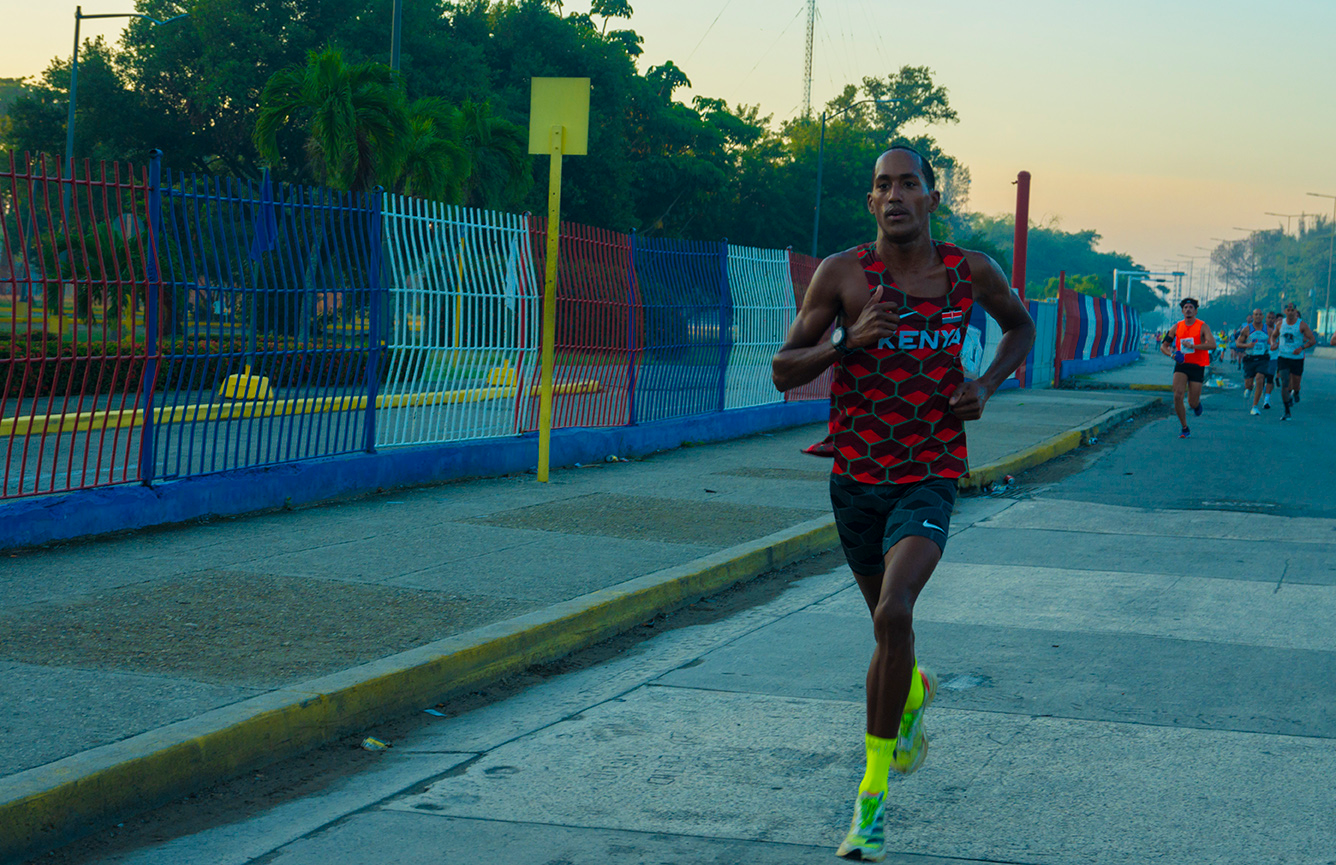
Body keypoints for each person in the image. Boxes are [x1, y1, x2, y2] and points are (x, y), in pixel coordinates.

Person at [771, 146, 1035, 862]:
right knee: (890, 636)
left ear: (931, 198)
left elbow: (1020, 326)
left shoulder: (968, 271)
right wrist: (843, 345)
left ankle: (871, 799)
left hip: (930, 467)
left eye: (908, 184)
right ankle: (913, 689)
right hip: (856, 474)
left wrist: (984, 384)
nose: (894, 195)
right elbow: (782, 368)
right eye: (882, 185)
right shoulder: (843, 274)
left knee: (896, 611)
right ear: (872, 201)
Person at [1160, 297, 1215, 438]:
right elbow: (1163, 346)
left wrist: (1194, 346)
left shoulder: (1202, 326)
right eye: (1185, 308)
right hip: (1182, 365)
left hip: (1197, 365)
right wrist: (1172, 355)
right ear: (1182, 311)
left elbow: (1212, 345)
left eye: (1191, 307)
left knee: (1192, 402)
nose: (1188, 310)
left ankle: (1196, 405)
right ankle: (1184, 427)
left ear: (1195, 311)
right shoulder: (1177, 327)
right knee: (1177, 395)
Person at [1270, 302, 1316, 420]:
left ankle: (1296, 392)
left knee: (1295, 383)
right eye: (1288, 310)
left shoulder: (1302, 325)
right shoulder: (1280, 324)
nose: (1290, 312)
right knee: (1285, 382)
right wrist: (1273, 344)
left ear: (1296, 312)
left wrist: (1301, 348)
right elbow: (1273, 336)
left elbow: (1312, 340)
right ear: (1285, 312)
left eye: (1292, 310)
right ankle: (1286, 411)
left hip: (1297, 358)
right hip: (1283, 357)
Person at [1235, 308, 1271, 416]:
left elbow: (1274, 340)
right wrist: (1247, 345)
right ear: (1253, 316)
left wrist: (1274, 345)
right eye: (1256, 315)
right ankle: (1248, 388)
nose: (1258, 316)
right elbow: (1238, 343)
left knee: (1260, 379)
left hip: (1262, 359)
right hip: (1250, 359)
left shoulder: (1268, 330)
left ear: (1263, 316)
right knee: (1249, 384)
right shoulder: (1247, 329)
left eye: (1260, 314)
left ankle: (1255, 406)